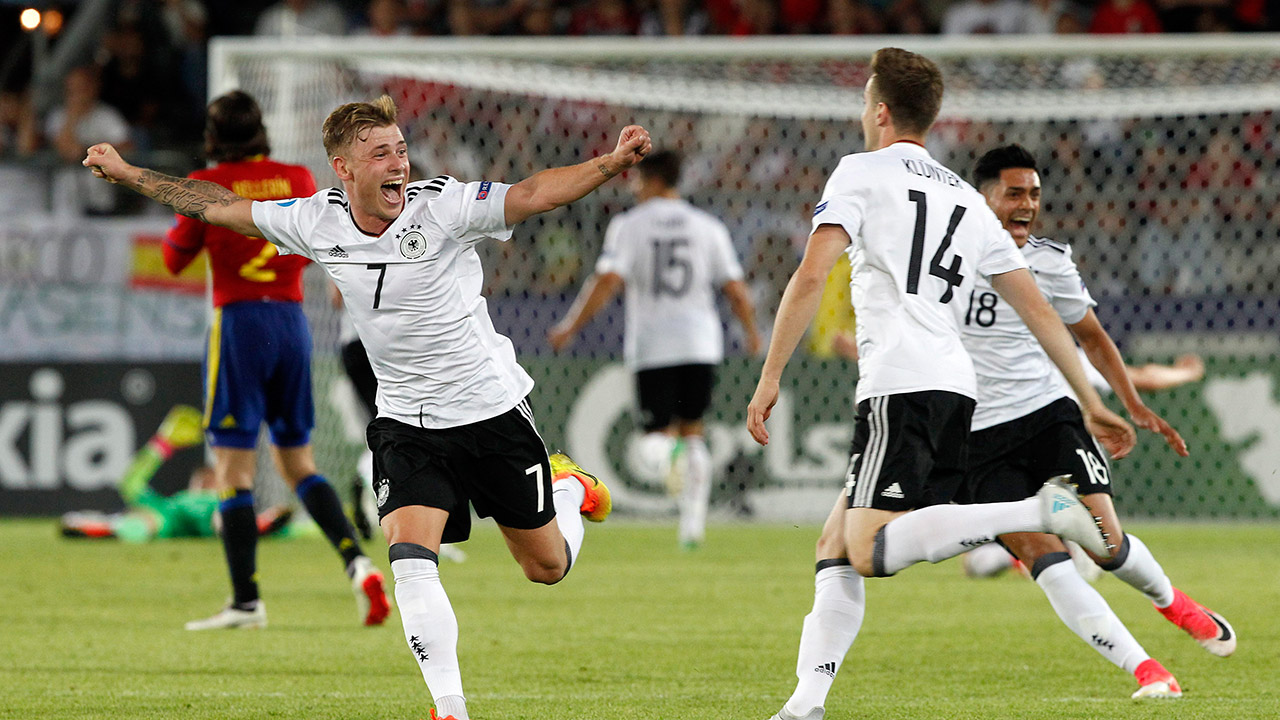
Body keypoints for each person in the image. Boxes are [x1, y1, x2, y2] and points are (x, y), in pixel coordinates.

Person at [83, 94, 647, 720]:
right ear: (343, 168)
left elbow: (534, 193)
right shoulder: (314, 220)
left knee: (545, 567)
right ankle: (450, 708)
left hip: (489, 411)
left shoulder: (445, 206)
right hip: (405, 423)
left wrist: (610, 163)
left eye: (400, 150)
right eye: (381, 153)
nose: (398, 163)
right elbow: (215, 205)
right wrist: (129, 174)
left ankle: (568, 490)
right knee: (410, 560)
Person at [744, 48, 1135, 720]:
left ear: (880, 111)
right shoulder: (966, 197)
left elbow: (811, 274)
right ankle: (806, 703)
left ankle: (1035, 513)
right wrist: (1091, 398)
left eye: (864, 101)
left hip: (900, 383)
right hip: (956, 387)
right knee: (834, 546)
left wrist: (770, 374)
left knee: (868, 550)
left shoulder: (861, 171)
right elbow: (1041, 312)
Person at [954, 145, 1232, 697]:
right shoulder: (944, 260)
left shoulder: (1050, 262)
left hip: (1047, 418)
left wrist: (1132, 405)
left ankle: (1173, 603)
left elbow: (1094, 338)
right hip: (974, 437)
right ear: (982, 198)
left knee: (1106, 544)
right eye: (1014, 193)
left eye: (1034, 194)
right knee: (1044, 557)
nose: (1027, 204)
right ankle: (1147, 670)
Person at [160, 90, 389, 631]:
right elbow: (316, 243)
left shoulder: (206, 185)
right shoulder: (296, 177)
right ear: (261, 128)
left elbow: (172, 260)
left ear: (214, 136)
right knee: (299, 464)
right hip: (290, 325)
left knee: (233, 471)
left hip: (239, 326)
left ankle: (246, 602)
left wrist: (199, 222)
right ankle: (358, 565)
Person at [547, 149, 761, 548]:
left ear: (654, 180)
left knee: (653, 441)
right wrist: (752, 333)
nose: (633, 187)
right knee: (694, 433)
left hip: (654, 346)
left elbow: (608, 280)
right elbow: (734, 288)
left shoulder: (630, 225)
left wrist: (570, 326)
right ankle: (692, 527)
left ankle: (669, 454)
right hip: (701, 344)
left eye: (637, 179)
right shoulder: (707, 226)